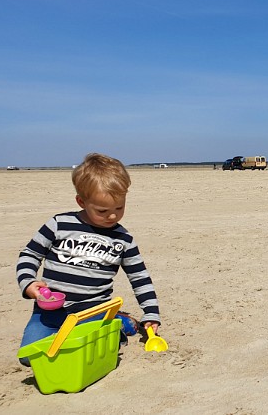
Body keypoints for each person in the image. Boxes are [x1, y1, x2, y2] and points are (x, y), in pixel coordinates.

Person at [16, 153, 161, 365]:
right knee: (30, 357)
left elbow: (140, 278)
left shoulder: (123, 239)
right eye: (102, 210)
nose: (112, 216)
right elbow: (30, 254)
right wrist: (28, 283)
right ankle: (119, 321)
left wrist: (151, 313)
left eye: (119, 208)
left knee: (90, 354)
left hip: (93, 313)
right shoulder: (59, 224)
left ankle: (118, 323)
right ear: (81, 201)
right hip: (50, 313)